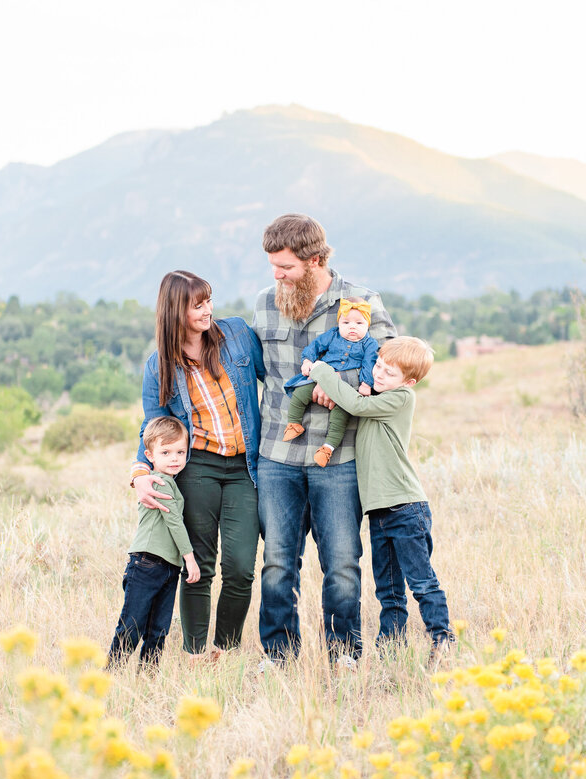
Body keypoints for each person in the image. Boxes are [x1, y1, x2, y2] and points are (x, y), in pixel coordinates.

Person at [254, 213, 396, 666]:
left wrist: (339, 379)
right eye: (272, 265)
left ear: (315, 260)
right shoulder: (263, 302)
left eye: (286, 267)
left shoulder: (363, 302)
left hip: (340, 456)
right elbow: (254, 370)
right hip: (277, 454)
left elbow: (392, 366)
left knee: (342, 565)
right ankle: (278, 657)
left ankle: (343, 655)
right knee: (277, 564)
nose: (276, 275)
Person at [131, 270, 265, 659]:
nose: (209, 309)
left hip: (245, 466)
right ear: (176, 310)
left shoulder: (237, 335)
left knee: (240, 567)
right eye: (198, 304)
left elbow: (273, 380)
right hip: (198, 468)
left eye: (209, 300)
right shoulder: (159, 366)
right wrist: (141, 471)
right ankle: (195, 655)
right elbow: (153, 426)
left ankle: (224, 650)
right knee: (199, 566)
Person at [309, 337, 455, 661]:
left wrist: (322, 370)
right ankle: (393, 653)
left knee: (421, 581)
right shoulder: (379, 393)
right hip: (378, 512)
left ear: (408, 381)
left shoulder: (401, 398)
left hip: (405, 507)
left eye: (389, 373)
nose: (379, 375)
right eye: (378, 366)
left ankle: (443, 640)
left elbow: (356, 406)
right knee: (388, 591)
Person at [109, 417, 201, 669]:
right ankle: (109, 676)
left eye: (180, 452)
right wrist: (190, 559)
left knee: (158, 630)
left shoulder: (170, 482)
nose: (174, 458)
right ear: (149, 455)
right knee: (132, 625)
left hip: (167, 567)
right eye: (166, 452)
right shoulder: (157, 482)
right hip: (147, 564)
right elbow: (174, 523)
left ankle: (148, 681)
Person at [282, 297, 380, 467]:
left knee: (341, 416)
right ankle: (293, 423)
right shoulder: (333, 335)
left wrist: (366, 384)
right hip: (321, 377)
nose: (352, 327)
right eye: (346, 322)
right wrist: (307, 360)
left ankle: (328, 448)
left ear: (367, 325)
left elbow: (369, 364)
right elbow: (315, 346)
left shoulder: (369, 343)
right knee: (299, 394)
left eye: (359, 323)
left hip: (346, 388)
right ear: (339, 324)